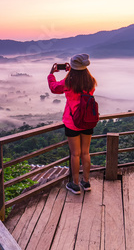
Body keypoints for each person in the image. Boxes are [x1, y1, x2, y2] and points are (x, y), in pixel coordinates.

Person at [48, 53, 97, 195]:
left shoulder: (68, 82)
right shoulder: (91, 81)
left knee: (75, 154)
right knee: (86, 152)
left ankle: (75, 185)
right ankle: (86, 182)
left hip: (72, 122)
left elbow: (54, 88)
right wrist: (72, 71)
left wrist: (51, 74)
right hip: (88, 120)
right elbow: (83, 88)